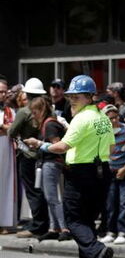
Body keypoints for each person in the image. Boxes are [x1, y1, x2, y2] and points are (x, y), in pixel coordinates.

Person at [23, 75, 115, 258]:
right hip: (102, 172)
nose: (73, 99)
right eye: (71, 96)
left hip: (81, 172)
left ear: (90, 97)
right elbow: (112, 147)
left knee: (73, 220)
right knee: (87, 220)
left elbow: (61, 147)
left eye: (78, 96)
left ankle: (97, 249)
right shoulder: (103, 118)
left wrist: (40, 145)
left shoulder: (81, 119)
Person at [9, 78, 50, 238]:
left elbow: (12, 132)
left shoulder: (24, 111)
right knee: (42, 191)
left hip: (27, 155)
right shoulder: (48, 108)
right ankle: (44, 222)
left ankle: (38, 225)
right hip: (44, 153)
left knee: (33, 192)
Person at [30, 95, 71, 242]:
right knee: (50, 197)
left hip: (52, 163)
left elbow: (58, 146)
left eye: (35, 112)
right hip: (49, 163)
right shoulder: (49, 123)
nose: (34, 116)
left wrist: (38, 144)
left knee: (53, 197)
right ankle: (54, 228)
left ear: (41, 110)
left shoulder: (50, 124)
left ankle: (63, 228)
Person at [101, 105, 125, 245]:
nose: (113, 120)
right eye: (109, 118)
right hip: (110, 171)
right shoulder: (102, 131)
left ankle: (124, 232)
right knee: (110, 203)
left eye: (115, 117)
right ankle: (111, 231)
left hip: (124, 170)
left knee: (124, 202)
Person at [0, 78, 16, 233]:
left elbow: (13, 128)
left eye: (5, 91)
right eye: (0, 91)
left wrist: (4, 127)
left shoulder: (10, 111)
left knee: (5, 185)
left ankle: (4, 222)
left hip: (6, 149)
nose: (3, 94)